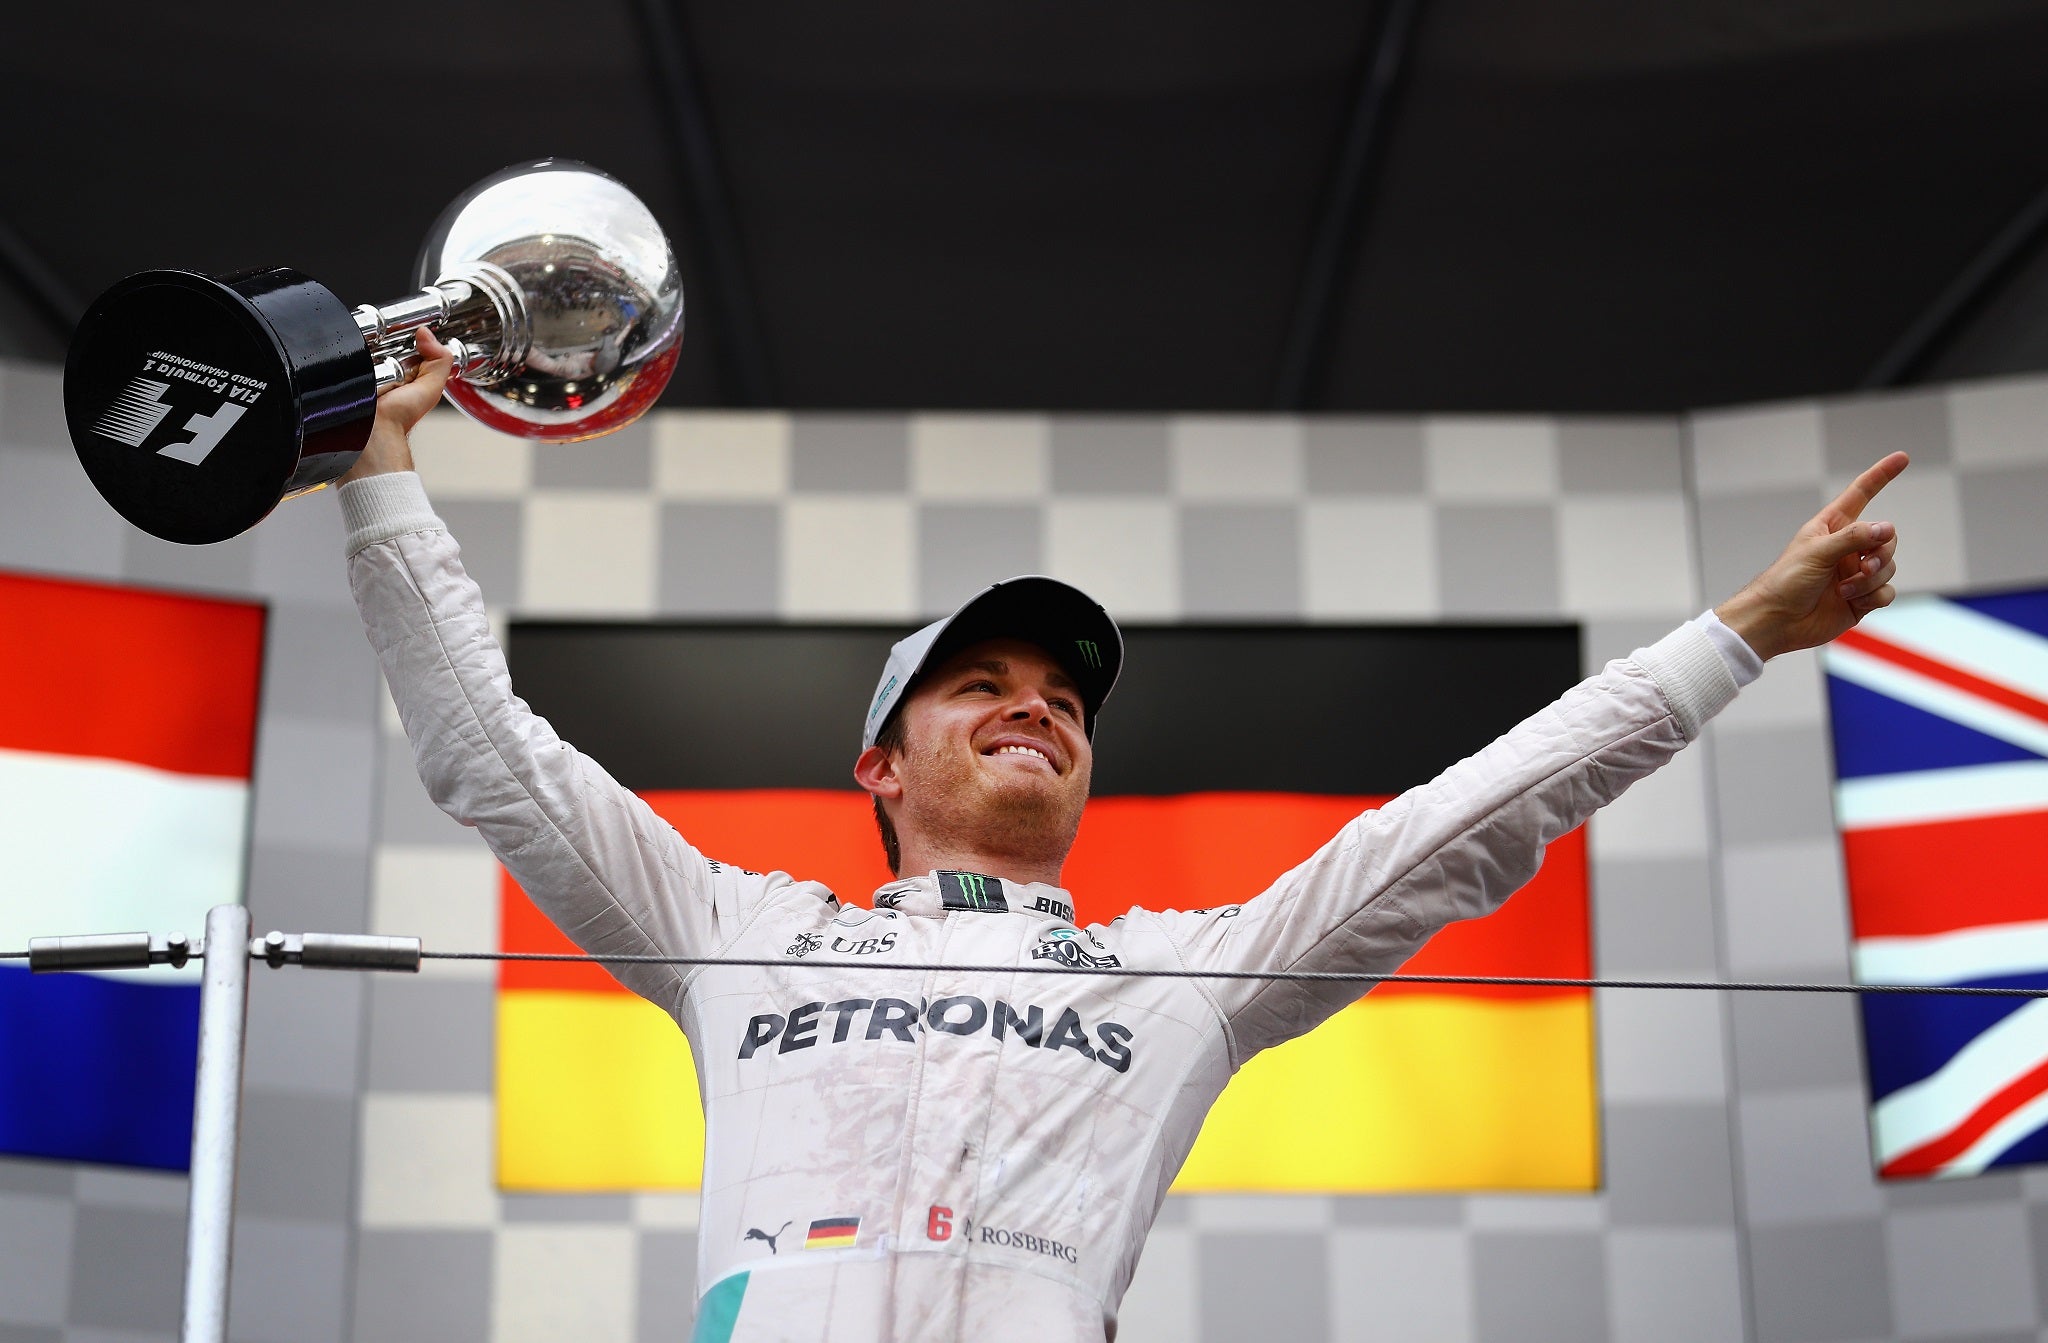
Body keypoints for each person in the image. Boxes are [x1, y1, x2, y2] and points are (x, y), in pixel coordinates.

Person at [342, 332, 1905, 1343]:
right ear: (880, 765)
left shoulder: (1188, 977)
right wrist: (382, 470)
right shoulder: (743, 937)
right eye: (981, 687)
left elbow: (1474, 818)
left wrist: (1745, 634)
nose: (1035, 711)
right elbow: (491, 753)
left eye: (1062, 700)